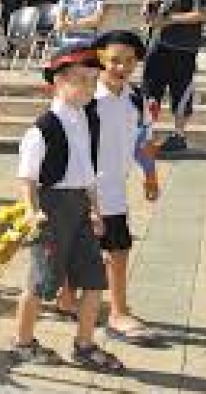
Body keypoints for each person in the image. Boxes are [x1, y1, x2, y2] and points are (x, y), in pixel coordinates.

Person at [11, 44, 124, 371]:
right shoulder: (42, 129)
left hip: (80, 207)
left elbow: (87, 174)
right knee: (40, 280)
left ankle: (84, 344)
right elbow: (27, 178)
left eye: (92, 80)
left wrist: (96, 210)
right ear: (58, 82)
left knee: (93, 278)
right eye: (81, 80)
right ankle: (22, 341)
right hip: (52, 206)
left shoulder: (83, 120)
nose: (89, 87)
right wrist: (31, 211)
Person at [54, 30, 161, 345]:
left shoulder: (137, 98)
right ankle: (106, 309)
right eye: (114, 60)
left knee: (112, 248)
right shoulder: (85, 98)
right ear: (99, 58)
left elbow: (143, 142)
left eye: (129, 61)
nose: (121, 67)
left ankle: (98, 305)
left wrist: (150, 175)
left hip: (114, 189)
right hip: (82, 189)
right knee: (101, 248)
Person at [142, 0, 206, 153]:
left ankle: (179, 135)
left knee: (180, 92)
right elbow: (157, 0)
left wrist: (168, 20)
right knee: (151, 89)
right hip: (158, 43)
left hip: (182, 47)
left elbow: (200, 14)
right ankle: (146, 134)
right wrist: (148, 6)